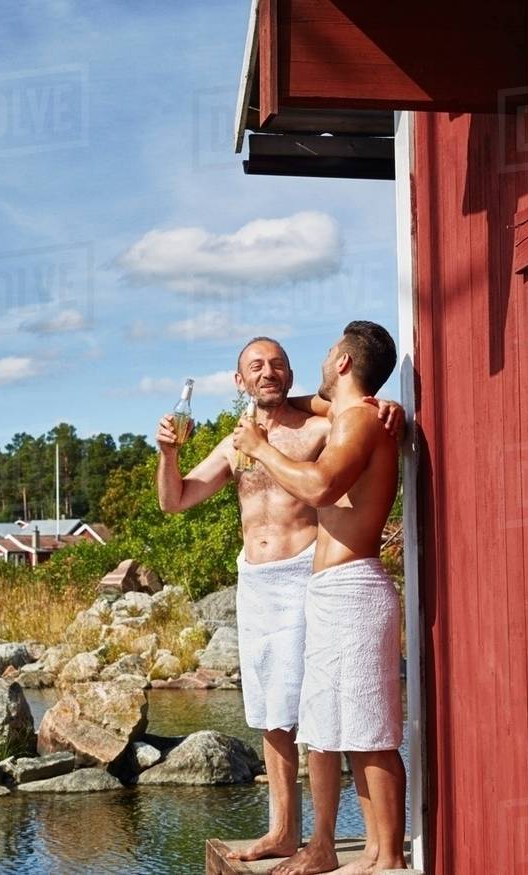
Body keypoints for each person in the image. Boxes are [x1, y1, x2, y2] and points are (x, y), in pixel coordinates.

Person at [155, 336, 402, 864]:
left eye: (278, 364)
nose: (268, 372)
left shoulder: (319, 424)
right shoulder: (236, 442)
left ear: (291, 375)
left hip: (306, 575)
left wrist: (388, 405)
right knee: (273, 712)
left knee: (318, 716)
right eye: (256, 366)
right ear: (239, 380)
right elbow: (175, 500)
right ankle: (282, 831)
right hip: (256, 584)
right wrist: (168, 454)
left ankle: (324, 838)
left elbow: (356, 412)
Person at [233, 321, 405, 875]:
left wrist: (261, 448)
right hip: (330, 589)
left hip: (353, 587)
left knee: (371, 733)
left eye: (330, 352)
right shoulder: (355, 414)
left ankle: (389, 858)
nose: (323, 360)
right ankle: (371, 853)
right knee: (338, 730)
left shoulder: (358, 420)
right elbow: (305, 402)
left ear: (344, 362)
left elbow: (321, 486)